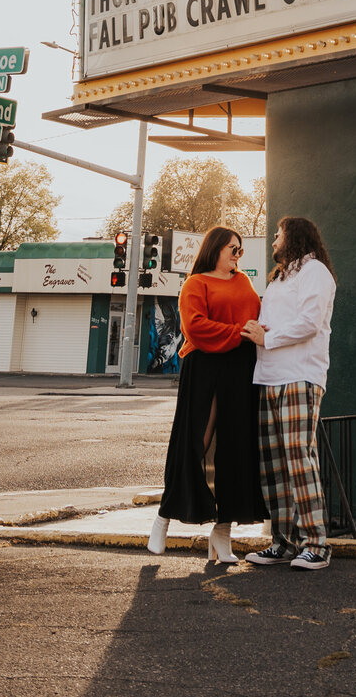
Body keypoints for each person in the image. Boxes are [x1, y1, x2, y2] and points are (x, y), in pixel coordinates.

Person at [148, 226, 267, 563]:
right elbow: (194, 327)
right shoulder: (196, 284)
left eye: (240, 250)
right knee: (196, 441)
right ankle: (162, 519)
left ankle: (222, 533)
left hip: (241, 369)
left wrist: (253, 333)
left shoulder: (243, 282)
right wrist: (239, 333)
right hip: (206, 368)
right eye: (233, 248)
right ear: (215, 248)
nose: (237, 255)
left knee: (235, 446)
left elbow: (256, 318)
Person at [243, 215, 337, 571]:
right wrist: (259, 329)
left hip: (300, 375)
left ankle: (317, 544)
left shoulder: (315, 273)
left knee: (299, 458)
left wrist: (268, 337)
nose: (273, 241)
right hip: (268, 376)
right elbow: (280, 322)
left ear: (295, 237)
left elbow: (310, 323)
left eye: (278, 235)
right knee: (274, 465)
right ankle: (283, 542)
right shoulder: (281, 278)